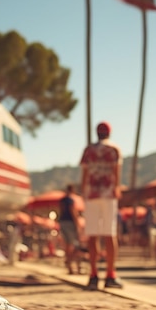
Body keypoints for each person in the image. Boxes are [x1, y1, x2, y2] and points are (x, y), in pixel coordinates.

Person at [80, 121, 123, 290]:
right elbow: (116, 172)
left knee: (92, 235)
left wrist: (84, 191)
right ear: (109, 133)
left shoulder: (89, 150)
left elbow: (84, 173)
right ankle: (111, 274)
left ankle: (93, 275)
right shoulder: (114, 150)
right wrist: (117, 188)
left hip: (92, 194)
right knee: (109, 234)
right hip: (108, 194)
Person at [58, 184, 81, 274]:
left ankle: (69, 266)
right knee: (73, 244)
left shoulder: (62, 200)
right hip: (70, 222)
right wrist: (77, 223)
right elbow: (73, 211)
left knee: (67, 244)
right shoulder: (70, 200)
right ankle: (70, 262)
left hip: (62, 222)